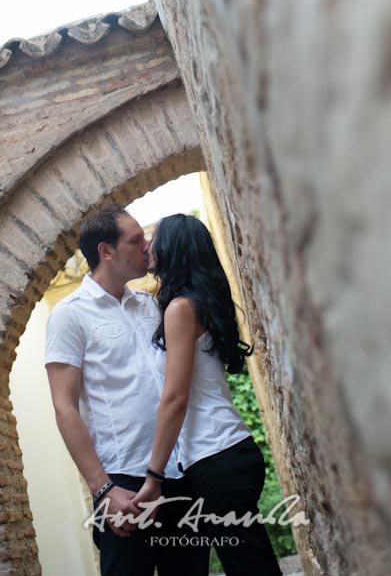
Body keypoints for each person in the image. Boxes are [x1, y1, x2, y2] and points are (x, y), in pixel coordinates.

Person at [45, 206, 209, 576]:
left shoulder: (151, 305)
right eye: (136, 240)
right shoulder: (70, 315)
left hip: (177, 474)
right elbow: (64, 407)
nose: (147, 247)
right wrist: (103, 489)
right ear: (107, 252)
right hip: (124, 484)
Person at [133, 213, 283, 576]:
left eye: (155, 238)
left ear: (173, 248)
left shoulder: (180, 308)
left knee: (250, 567)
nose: (149, 247)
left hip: (216, 458)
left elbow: (176, 398)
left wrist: (154, 475)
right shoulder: (199, 303)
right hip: (228, 453)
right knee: (251, 563)